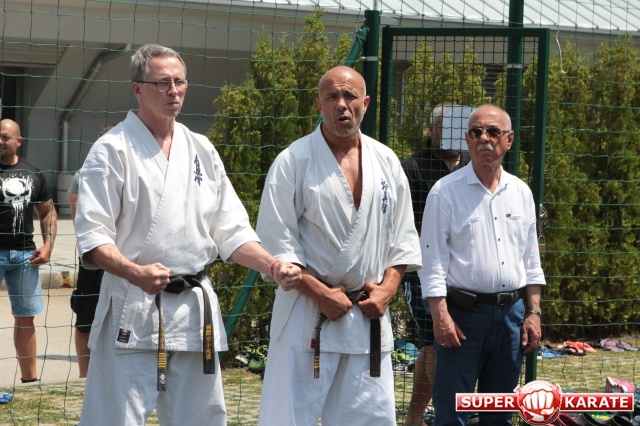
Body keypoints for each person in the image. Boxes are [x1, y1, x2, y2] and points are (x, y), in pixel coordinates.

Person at [74, 44, 301, 426]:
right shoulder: (111, 150)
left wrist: (273, 265)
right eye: (162, 83)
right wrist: (135, 272)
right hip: (134, 304)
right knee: (114, 417)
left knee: (203, 417)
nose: (173, 91)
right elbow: (93, 237)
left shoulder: (201, 148)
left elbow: (230, 230)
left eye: (179, 82)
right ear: (137, 89)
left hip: (194, 309)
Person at [256, 66, 422, 425]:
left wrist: (388, 290)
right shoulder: (293, 161)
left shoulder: (386, 160)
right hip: (306, 314)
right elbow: (276, 243)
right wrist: (321, 294)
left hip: (367, 316)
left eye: (350, 96)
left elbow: (403, 238)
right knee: (289, 417)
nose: (341, 104)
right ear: (319, 104)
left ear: (366, 103)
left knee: (369, 419)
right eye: (332, 96)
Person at [420, 104, 544, 426]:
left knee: (499, 414)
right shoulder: (444, 193)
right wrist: (440, 316)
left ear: (509, 139)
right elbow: (431, 262)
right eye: (476, 132)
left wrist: (533, 313)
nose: (484, 139)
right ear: (467, 139)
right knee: (453, 414)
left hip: (512, 318)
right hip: (462, 319)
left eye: (493, 132)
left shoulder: (521, 193)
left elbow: (531, 261)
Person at [400, 104, 470, 426]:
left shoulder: (471, 165)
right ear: (431, 130)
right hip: (420, 271)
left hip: (462, 274)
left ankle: (416, 417)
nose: (454, 132)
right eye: (446, 125)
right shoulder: (412, 167)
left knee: (435, 346)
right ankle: (442, 415)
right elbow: (402, 225)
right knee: (434, 341)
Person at [0, 118, 57, 383]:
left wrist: (48, 246)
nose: (0, 141)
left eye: (5, 137)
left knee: (26, 318)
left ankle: (30, 382)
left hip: (25, 255)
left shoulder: (33, 173)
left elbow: (47, 212)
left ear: (18, 141)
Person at [68, 123, 115, 378]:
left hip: (126, 257)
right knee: (86, 315)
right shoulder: (83, 174)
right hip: (94, 258)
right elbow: (80, 221)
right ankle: (84, 375)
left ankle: (113, 371)